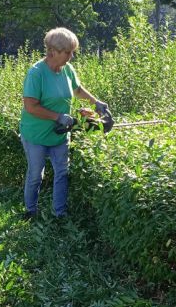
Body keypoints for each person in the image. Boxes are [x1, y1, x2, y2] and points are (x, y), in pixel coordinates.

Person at [19, 27, 109, 220]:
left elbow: (77, 90)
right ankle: (30, 211)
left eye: (72, 52)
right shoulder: (36, 73)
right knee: (36, 175)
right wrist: (58, 116)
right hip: (36, 134)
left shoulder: (67, 69)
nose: (71, 56)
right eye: (67, 52)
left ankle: (59, 214)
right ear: (53, 51)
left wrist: (96, 102)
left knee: (62, 173)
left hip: (59, 133)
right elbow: (30, 107)